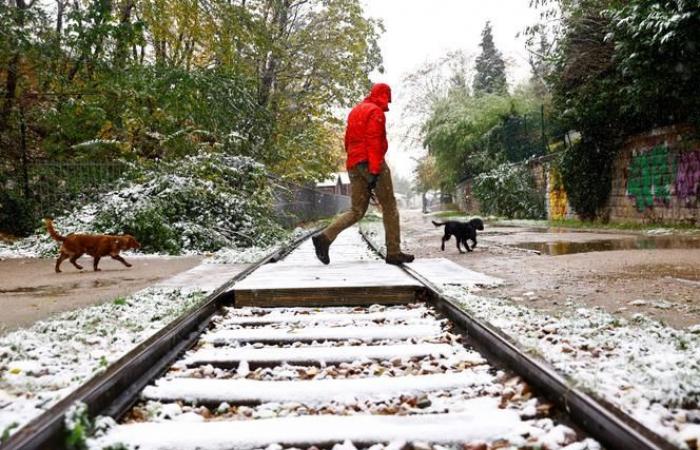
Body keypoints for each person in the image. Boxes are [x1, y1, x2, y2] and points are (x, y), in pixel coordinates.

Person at [312, 83, 415, 265]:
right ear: (383, 96)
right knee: (389, 206)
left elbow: (347, 141)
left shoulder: (355, 111)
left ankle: (325, 238)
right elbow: (374, 141)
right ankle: (393, 251)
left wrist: (355, 163)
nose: (388, 104)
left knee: (356, 210)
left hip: (353, 163)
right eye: (388, 98)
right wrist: (374, 171)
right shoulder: (375, 112)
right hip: (370, 162)